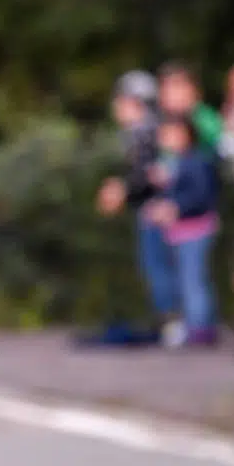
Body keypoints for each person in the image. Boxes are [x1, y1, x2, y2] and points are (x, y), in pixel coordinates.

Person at [98, 69, 179, 345]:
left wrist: (123, 190)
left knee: (160, 268)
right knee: (157, 268)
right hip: (153, 210)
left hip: (160, 212)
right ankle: (170, 321)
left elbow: (150, 175)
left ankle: (174, 323)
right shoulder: (144, 131)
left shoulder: (146, 132)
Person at [148, 115, 221, 346]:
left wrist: (175, 207)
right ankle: (193, 325)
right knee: (184, 279)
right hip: (180, 231)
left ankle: (201, 327)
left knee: (193, 280)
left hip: (195, 229)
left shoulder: (195, 161)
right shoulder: (173, 164)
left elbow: (201, 196)